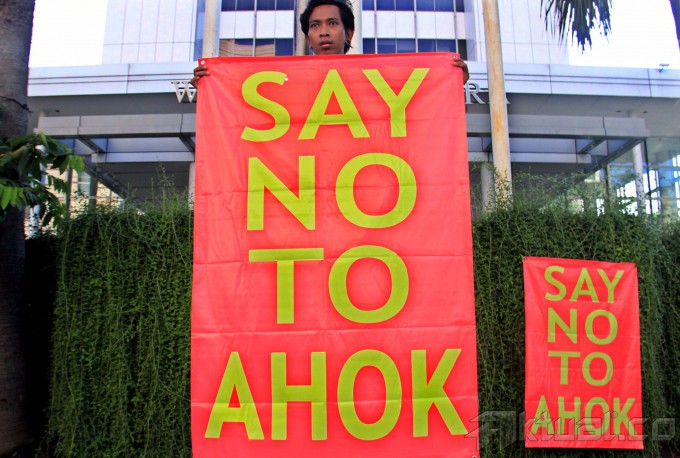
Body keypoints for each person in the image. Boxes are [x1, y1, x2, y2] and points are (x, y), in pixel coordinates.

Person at [190, 0, 469, 86]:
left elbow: (423, 119)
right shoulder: (286, 81)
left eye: (332, 23)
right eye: (315, 25)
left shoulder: (374, 80)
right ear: (308, 37)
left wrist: (452, 83)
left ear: (349, 34)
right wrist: (212, 87)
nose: (324, 32)